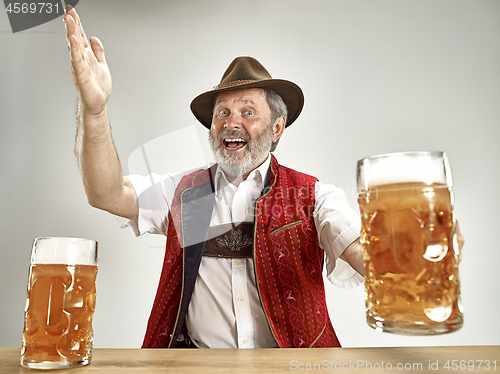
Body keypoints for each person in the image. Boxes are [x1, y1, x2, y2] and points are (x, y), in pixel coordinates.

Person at [63, 7, 463, 349]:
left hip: (295, 370)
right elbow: (106, 192)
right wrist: (93, 110)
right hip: (194, 368)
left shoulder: (314, 196)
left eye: (248, 112)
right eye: (222, 113)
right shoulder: (184, 192)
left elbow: (364, 257)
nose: (230, 122)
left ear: (277, 129)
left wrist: (415, 256)